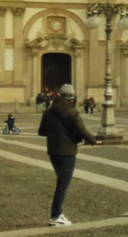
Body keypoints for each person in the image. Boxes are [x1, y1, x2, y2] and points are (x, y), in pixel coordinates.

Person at [36, 83, 96, 226]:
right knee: (63, 184)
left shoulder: (48, 112)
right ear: (72, 97)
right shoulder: (72, 112)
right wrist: (93, 141)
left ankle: (58, 214)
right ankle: (56, 216)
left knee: (61, 183)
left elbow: (41, 132)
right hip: (68, 152)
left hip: (53, 152)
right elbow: (82, 131)